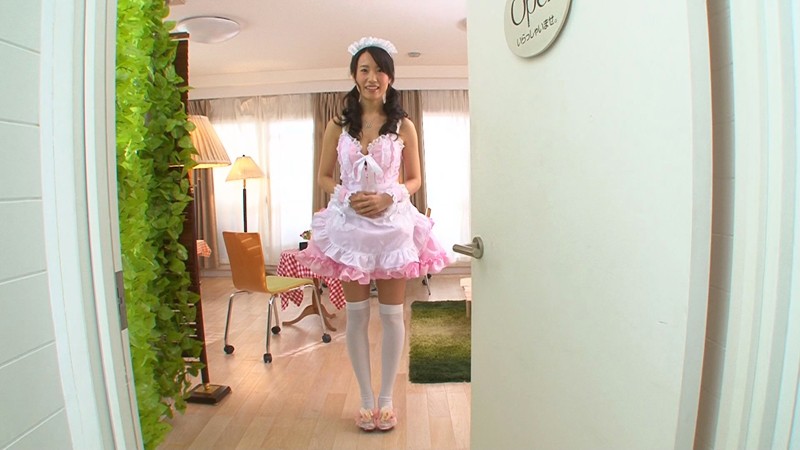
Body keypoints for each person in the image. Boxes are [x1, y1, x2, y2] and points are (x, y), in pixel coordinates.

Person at [296, 36, 449, 432]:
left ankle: (386, 400)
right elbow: (323, 176)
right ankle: (366, 399)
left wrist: (388, 196)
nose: (372, 77)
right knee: (357, 316)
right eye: (364, 69)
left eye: (380, 70)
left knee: (392, 316)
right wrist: (344, 195)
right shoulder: (337, 125)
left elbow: (414, 179)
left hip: (392, 227)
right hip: (350, 229)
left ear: (390, 77)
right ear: (354, 75)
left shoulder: (404, 125)